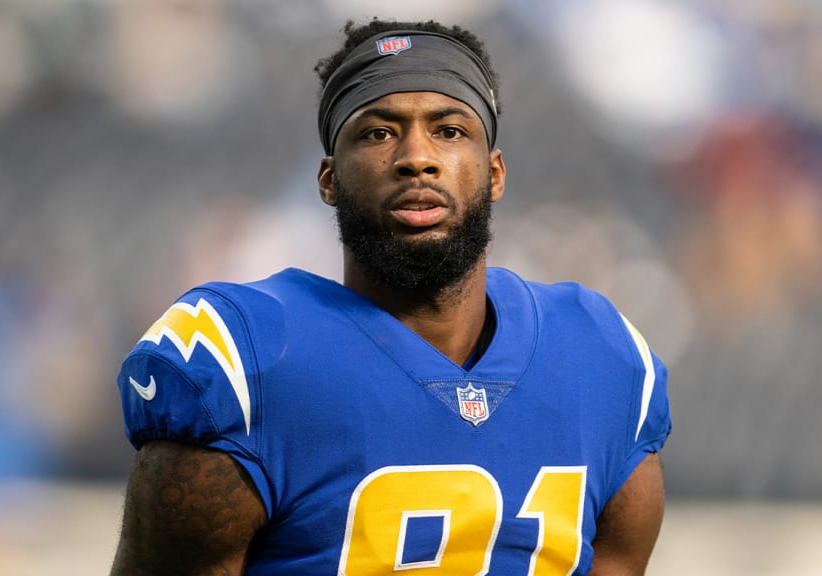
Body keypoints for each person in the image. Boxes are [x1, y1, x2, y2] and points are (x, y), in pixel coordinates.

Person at [110, 18, 671, 576]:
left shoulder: (601, 357)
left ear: (494, 172)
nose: (416, 158)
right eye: (378, 132)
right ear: (328, 179)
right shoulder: (248, 361)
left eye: (449, 131)